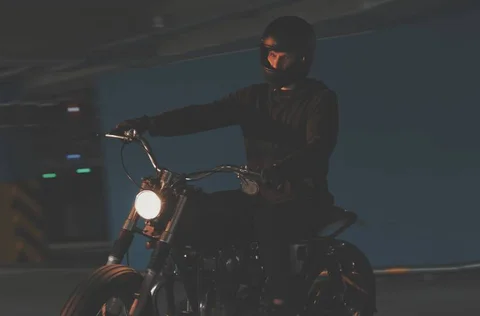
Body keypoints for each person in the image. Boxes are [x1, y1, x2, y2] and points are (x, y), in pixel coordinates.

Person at [112, 16, 339, 315]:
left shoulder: (319, 100)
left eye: (284, 56)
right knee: (194, 212)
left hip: (301, 197)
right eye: (271, 54)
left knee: (269, 224)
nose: (276, 61)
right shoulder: (253, 98)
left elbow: (318, 148)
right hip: (259, 194)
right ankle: (211, 293)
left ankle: (282, 302)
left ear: (303, 58)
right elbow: (204, 115)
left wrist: (283, 169)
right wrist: (149, 124)